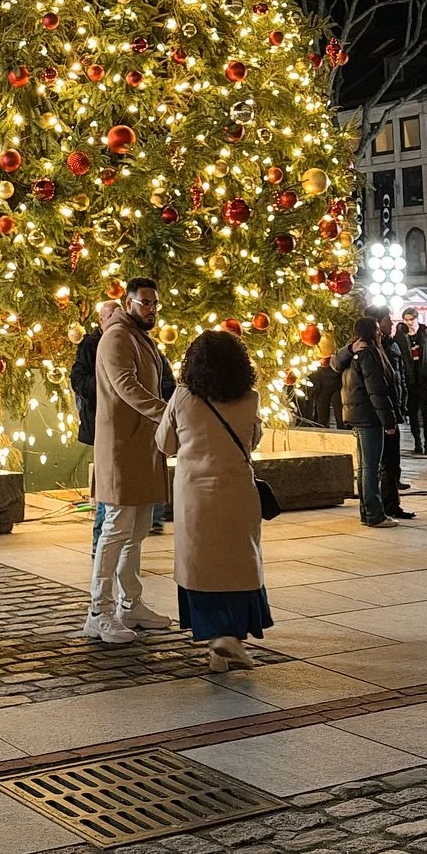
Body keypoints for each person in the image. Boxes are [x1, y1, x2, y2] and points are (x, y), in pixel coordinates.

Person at [156, 329, 272, 673]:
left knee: (202, 567)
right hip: (237, 492)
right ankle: (228, 640)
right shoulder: (250, 398)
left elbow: (165, 444)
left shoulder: (182, 397)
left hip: (195, 496)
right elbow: (253, 440)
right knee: (237, 565)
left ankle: (217, 638)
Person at [84, 277, 171, 644]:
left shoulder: (138, 337)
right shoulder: (118, 337)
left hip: (142, 446)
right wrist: (168, 414)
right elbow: (127, 387)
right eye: (144, 302)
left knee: (135, 533)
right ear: (128, 302)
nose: (151, 309)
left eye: (154, 303)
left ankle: (130, 603)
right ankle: (98, 611)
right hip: (122, 448)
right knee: (116, 530)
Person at [333, 316, 398, 527]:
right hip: (369, 416)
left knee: (364, 467)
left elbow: (334, 364)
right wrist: (388, 421)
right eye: (377, 329)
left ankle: (367, 512)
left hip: (357, 415)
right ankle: (374, 514)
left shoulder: (353, 354)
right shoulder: (368, 354)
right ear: (370, 332)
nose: (380, 332)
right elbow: (376, 391)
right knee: (371, 467)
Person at [71, 299, 120, 552]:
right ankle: (99, 542)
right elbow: (79, 380)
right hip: (101, 420)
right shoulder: (91, 345)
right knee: (106, 484)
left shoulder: (126, 341)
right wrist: (107, 386)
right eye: (110, 316)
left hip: (119, 421)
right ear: (101, 320)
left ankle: (107, 542)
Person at [373, 309, 416, 520]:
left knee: (392, 461)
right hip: (382, 413)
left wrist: (402, 401)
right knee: (383, 463)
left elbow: (400, 376)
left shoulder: (392, 344)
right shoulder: (370, 349)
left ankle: (391, 503)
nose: (391, 324)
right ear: (376, 324)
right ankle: (382, 506)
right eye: (387, 321)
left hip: (393, 407)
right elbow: (379, 387)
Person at [400, 308, 427, 456]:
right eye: (406, 320)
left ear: (417, 319)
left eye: (411, 319)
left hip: (425, 380)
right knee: (412, 413)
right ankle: (417, 441)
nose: (409, 322)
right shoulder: (401, 336)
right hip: (410, 381)